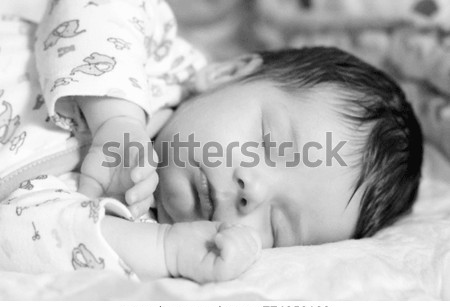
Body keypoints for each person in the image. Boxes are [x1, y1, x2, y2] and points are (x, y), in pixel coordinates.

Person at [0, 0, 423, 281]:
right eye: (269, 142)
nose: (251, 192)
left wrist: (165, 251)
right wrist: (118, 118)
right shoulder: (155, 61)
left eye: (277, 226)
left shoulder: (138, 228)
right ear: (227, 74)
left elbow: (24, 241)